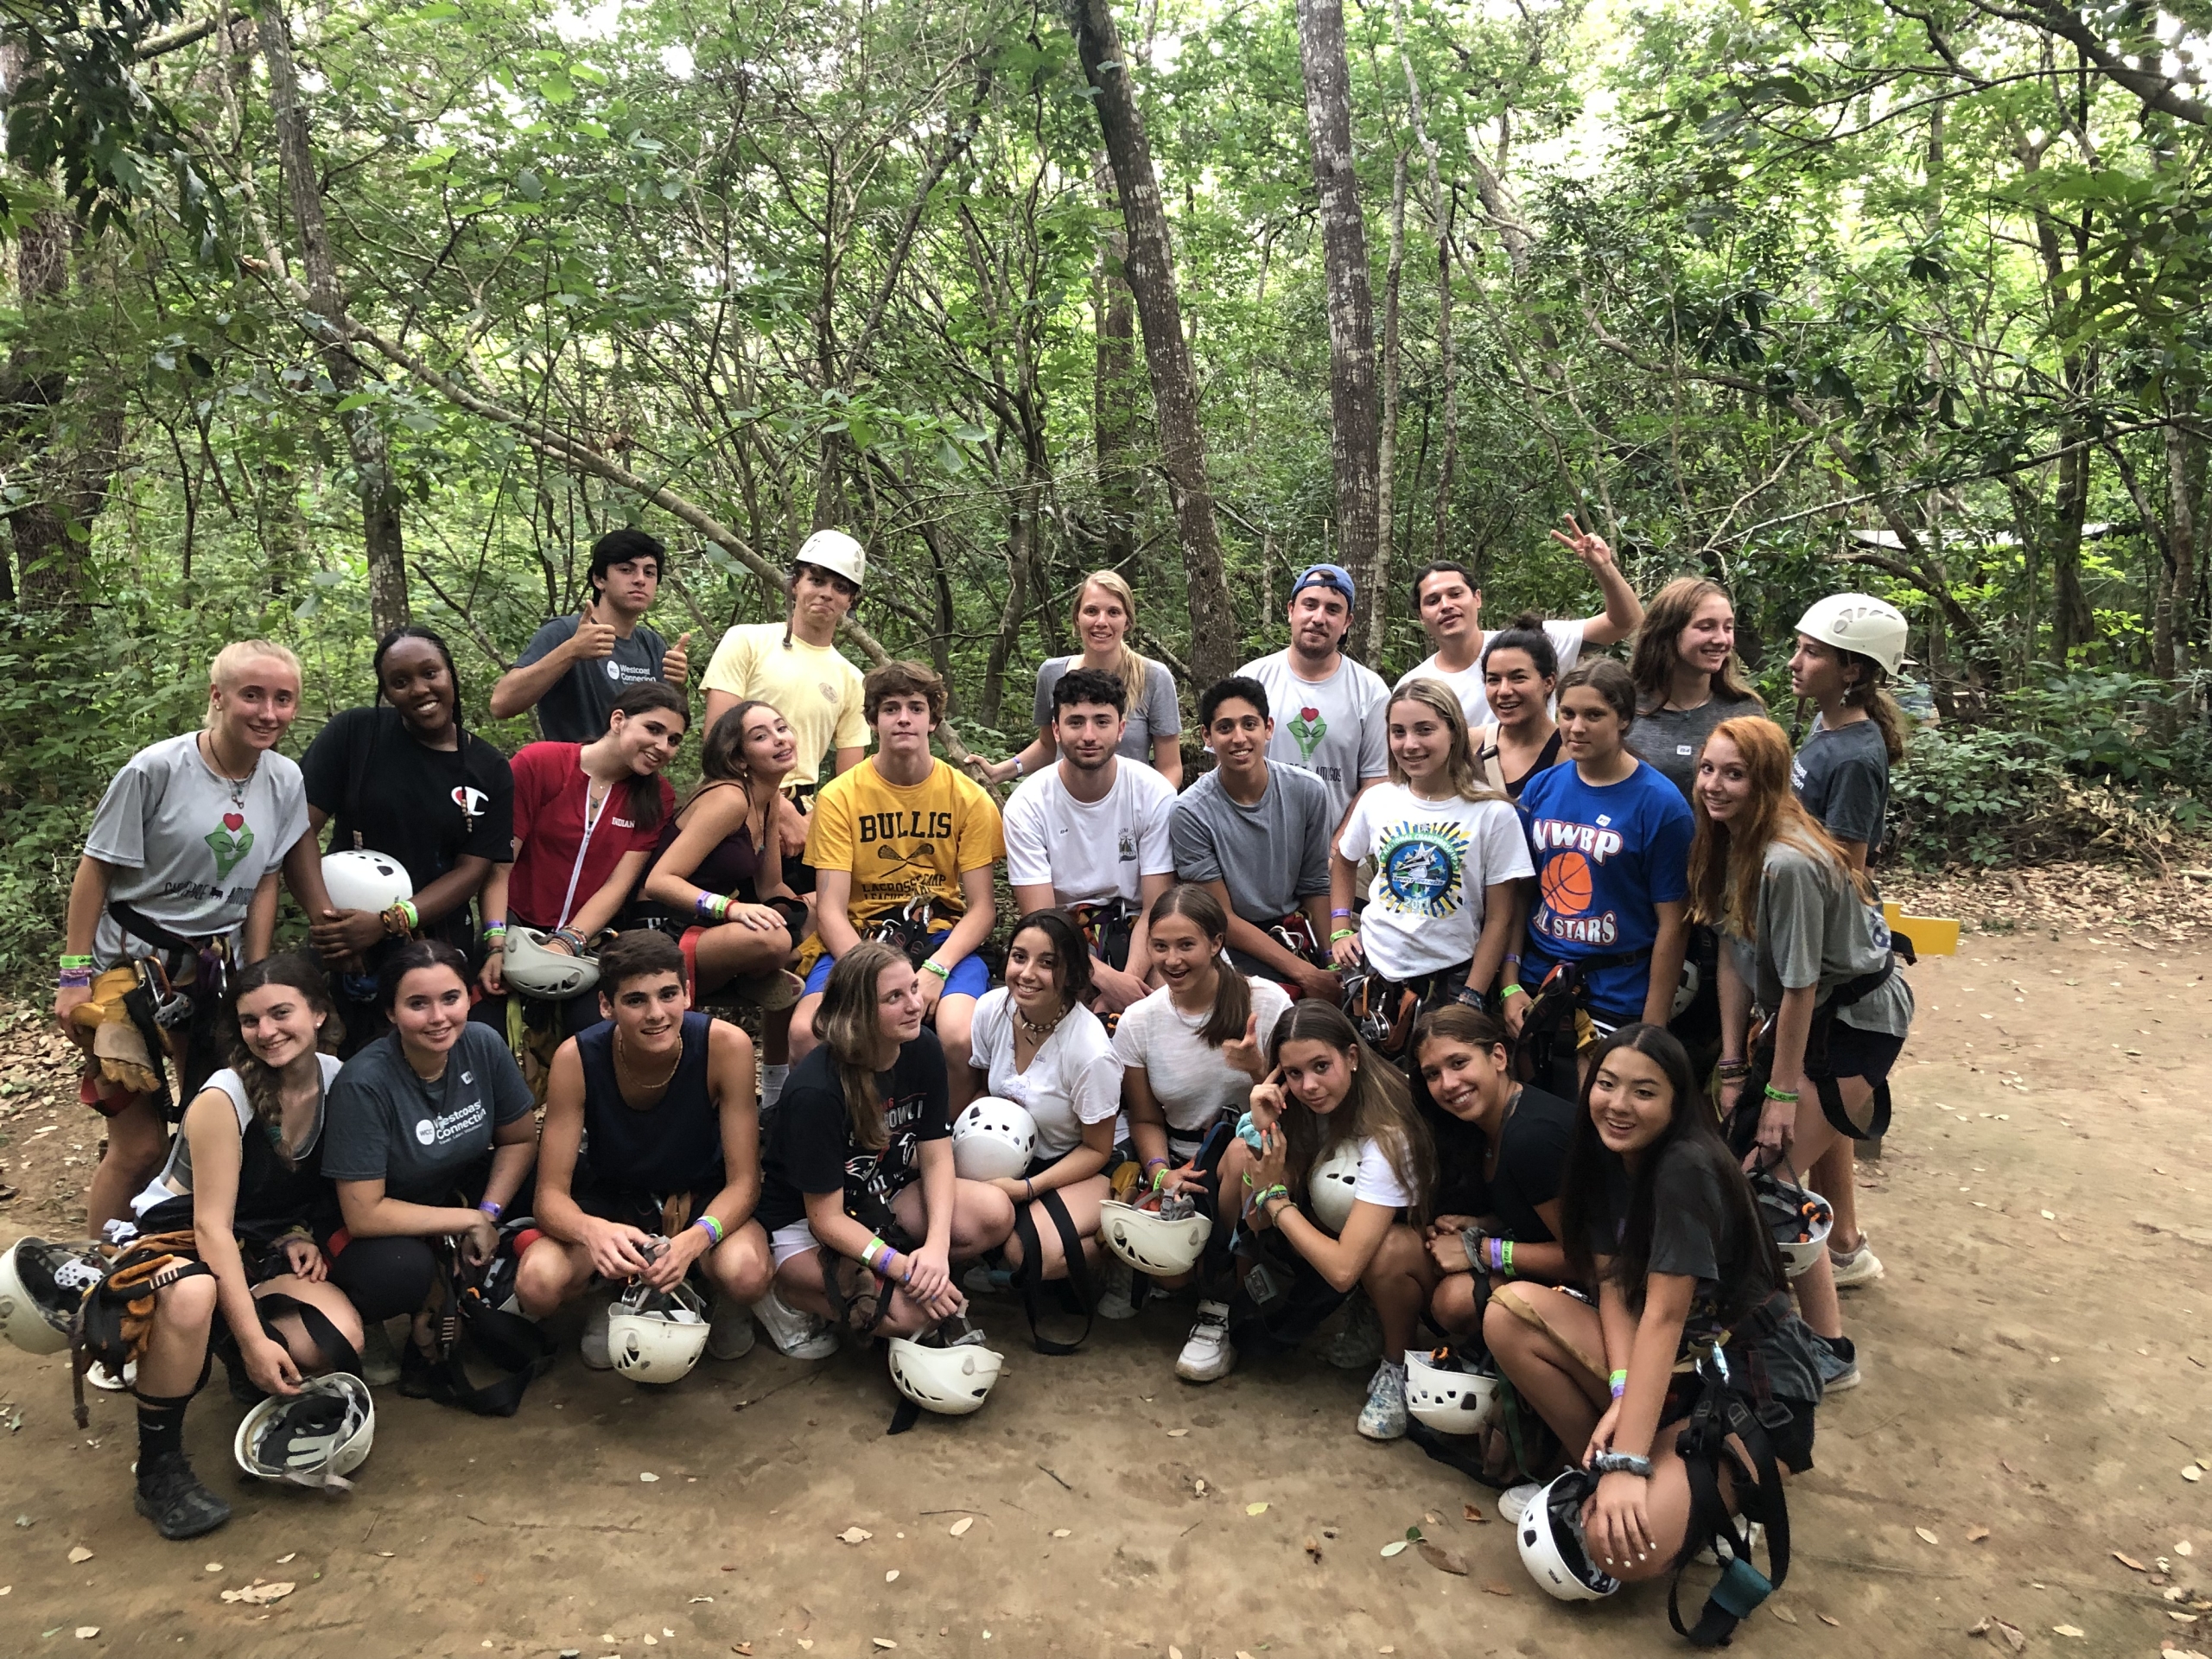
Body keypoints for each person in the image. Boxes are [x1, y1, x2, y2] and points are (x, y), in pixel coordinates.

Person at [1484, 1025, 1824, 1596]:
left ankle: (1702, 1493)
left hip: (1750, 1386)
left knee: (1614, 1554)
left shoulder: (1685, 1166)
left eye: (1643, 1092)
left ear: (1676, 1103)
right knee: (1507, 1316)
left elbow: (1665, 1316)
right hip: (1675, 1367)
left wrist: (1629, 1464)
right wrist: (1620, 1390)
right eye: (1608, 1085)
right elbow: (1615, 1285)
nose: (1619, 1105)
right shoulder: (1605, 1158)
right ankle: (1602, 1470)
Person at [57, 639, 312, 1235]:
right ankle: (97, 1277)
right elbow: (95, 870)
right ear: (217, 696)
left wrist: (259, 972)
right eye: (252, 695)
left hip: (212, 969)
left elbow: (267, 876)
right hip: (124, 968)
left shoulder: (284, 779)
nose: (267, 712)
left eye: (283, 699)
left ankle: (180, 1257)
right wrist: (72, 977)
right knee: (142, 1144)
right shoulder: (157, 770)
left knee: (212, 1127)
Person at [1692, 716, 1915, 1393]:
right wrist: (1734, 1066)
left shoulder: (1786, 861)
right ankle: (1794, 1314)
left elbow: (1800, 986)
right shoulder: (1727, 843)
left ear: (1768, 782)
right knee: (1762, 1165)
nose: (1715, 785)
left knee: (1770, 1177)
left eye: (1735, 774)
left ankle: (1829, 1348)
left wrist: (1781, 1096)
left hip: (1853, 1020)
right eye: (1708, 769)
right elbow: (1734, 951)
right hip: (1805, 1014)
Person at [123, 954, 364, 1539]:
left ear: (319, 1013)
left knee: (334, 1344)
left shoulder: (338, 1078)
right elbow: (210, 1228)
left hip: (259, 1238)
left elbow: (307, 1190)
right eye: (251, 1020)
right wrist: (259, 1341)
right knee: (191, 1295)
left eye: (282, 1013)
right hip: (179, 1234)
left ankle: (228, 1347)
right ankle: (158, 1466)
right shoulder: (224, 1096)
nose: (267, 1032)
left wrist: (300, 1235)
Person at [515, 931, 817, 1366]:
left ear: (688, 994)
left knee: (747, 1273)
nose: (656, 1014)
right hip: (613, 1201)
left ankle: (711, 1289)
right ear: (606, 1006)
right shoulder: (576, 1058)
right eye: (635, 1000)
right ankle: (614, 1287)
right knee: (538, 1284)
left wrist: (695, 1241)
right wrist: (593, 1233)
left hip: (702, 1196)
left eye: (668, 994)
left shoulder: (724, 1045)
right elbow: (549, 1197)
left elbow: (746, 1183)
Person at [1185, 1001, 1433, 1444]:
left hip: (1399, 1245)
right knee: (1242, 1156)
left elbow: (1341, 1272)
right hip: (1324, 1225)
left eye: (1322, 1066)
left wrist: (1276, 1198)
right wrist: (1264, 1132)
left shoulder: (1388, 1129)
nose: (1309, 1086)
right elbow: (1256, 1224)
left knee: (1390, 1253)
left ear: (1352, 1057)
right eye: (1293, 1073)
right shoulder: (1294, 1108)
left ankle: (1397, 1364)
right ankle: (1236, 1306)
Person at [756, 941, 1017, 1345]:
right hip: (809, 1225)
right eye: (894, 997)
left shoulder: (922, 1047)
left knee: (994, 1214)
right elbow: (826, 1219)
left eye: (914, 988)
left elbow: (935, 1157)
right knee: (911, 1318)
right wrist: (904, 1270)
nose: (915, 1004)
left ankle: (877, 1277)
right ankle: (791, 1293)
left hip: (881, 1197)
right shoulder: (816, 1091)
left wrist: (934, 1248)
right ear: (858, 1013)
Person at [322, 942, 538, 1389]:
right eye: (417, 1004)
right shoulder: (364, 1083)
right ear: (390, 1012)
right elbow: (363, 1213)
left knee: (555, 1179)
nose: (439, 1017)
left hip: (449, 1188)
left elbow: (519, 1138)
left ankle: (492, 1292)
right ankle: (367, 1318)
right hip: (373, 1220)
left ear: (468, 997)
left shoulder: (482, 1044)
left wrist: (491, 1212)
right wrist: (470, 1220)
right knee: (402, 1270)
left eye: (450, 998)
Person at [292, 626, 514, 1054]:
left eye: (430, 673)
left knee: (435, 1060)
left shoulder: (489, 768)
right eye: (400, 681)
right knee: (342, 1063)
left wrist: (390, 922)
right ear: (387, 691)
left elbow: (473, 869)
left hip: (435, 946)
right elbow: (298, 829)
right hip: (344, 939)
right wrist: (331, 929)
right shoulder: (355, 735)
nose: (419, 689)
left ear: (451, 674)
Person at [789, 661, 1002, 1102]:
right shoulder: (839, 797)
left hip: (944, 943)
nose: (903, 718)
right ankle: (829, 1140)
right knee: (807, 1033)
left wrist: (936, 970)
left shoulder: (969, 798)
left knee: (958, 1037)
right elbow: (830, 909)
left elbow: (983, 907)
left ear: (933, 719)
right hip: (859, 941)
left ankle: (950, 1145)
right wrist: (872, 977)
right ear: (873, 721)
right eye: (890, 708)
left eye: (915, 707)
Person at [1788, 592, 1910, 1292]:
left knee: (1805, 1113)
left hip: (1828, 953)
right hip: (1817, 943)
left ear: (1854, 671)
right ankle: (1846, 1244)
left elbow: (1847, 867)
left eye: (1812, 653)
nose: (1797, 661)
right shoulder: (1827, 729)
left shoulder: (1858, 755)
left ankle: (1808, 1276)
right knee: (1830, 1102)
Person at [1504, 661, 1694, 1084]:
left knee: (1596, 1122)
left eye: (1594, 715)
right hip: (1539, 978)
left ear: (1624, 719)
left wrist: (1653, 1026)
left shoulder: (1661, 806)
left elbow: (1673, 924)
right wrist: (1510, 981)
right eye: (1568, 713)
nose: (1576, 727)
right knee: (1531, 1113)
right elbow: (1518, 893)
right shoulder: (1542, 788)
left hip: (1617, 990)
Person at [478, 682, 686, 1035]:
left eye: (674, 740)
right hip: (514, 925)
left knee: (593, 1033)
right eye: (654, 729)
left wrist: (569, 941)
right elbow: (500, 866)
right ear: (618, 720)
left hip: (588, 942)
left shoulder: (658, 796)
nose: (662, 746)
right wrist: (495, 943)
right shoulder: (540, 762)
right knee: (486, 1028)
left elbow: (618, 884)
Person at [1329, 680, 1532, 1038]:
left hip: (1450, 976)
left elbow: (1502, 915)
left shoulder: (1492, 813)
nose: (1410, 744)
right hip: (1373, 971)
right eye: (1398, 732)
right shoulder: (1378, 800)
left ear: (1453, 731)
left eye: (1425, 730)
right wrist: (1340, 928)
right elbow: (1345, 861)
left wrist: (1473, 993)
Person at [639, 699, 810, 1102]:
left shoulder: (767, 800)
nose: (779, 739)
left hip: (705, 927)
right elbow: (659, 882)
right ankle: (752, 973)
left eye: (781, 727)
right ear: (739, 756)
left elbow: (771, 889)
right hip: (660, 929)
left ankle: (775, 1091)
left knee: (820, 909)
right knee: (772, 942)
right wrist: (732, 909)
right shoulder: (729, 798)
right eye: (761, 736)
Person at [965, 912, 1122, 1332]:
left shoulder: (1091, 1052)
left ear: (1071, 974)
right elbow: (983, 1093)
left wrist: (1027, 1189)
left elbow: (1098, 1149)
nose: (1027, 974)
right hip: (1009, 1151)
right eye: (1019, 957)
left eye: (1047, 963)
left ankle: (1118, 1254)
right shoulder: (989, 1010)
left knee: (1029, 1255)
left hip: (1077, 1164)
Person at [1001, 667, 1177, 1014]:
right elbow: (1042, 919)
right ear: (1056, 729)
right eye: (1076, 722)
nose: (1089, 735)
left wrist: (1126, 984)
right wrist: (1107, 980)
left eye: (1102, 721)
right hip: (1064, 936)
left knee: (1172, 1002)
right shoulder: (1027, 804)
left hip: (1139, 927)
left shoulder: (1154, 793)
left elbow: (1157, 908)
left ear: (1121, 728)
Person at [1408, 1004, 1575, 1344]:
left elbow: (1587, 1260)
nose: (1449, 1084)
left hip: (1607, 1292)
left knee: (1454, 1301)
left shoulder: (1533, 1136)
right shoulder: (1485, 1125)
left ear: (1498, 1056)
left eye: (1459, 1063)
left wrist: (1480, 1249)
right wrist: (1484, 1224)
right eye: (1432, 1074)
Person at [1168, 677, 1338, 1001]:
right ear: (1207, 736)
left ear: (1268, 728)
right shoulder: (1190, 812)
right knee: (1266, 1006)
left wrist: (1327, 962)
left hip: (1296, 925)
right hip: (1233, 939)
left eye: (1249, 724)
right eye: (1225, 728)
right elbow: (1222, 918)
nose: (1239, 738)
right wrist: (1304, 973)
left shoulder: (1308, 791)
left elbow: (1315, 884)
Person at [1114, 883, 1287, 1196]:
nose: (1172, 960)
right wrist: (1160, 1172)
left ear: (1215, 943)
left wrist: (1256, 1069)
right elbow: (1145, 1118)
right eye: (1160, 946)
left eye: (1186, 945)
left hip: (1264, 1151)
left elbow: (1300, 1104)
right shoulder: (1137, 1022)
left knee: (1238, 1154)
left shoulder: (1267, 1002)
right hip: (1187, 1163)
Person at [1398, 517, 1644, 731]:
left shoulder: (1531, 642)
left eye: (1455, 594)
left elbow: (1625, 622)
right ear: (1421, 616)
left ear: (1477, 598)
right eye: (1432, 601)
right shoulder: (1415, 685)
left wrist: (1604, 568)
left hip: (1541, 783)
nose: (1445, 605)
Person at [699, 529, 871, 803]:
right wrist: (777, 808)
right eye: (816, 580)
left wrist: (815, 820)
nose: (826, 594)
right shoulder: (746, 640)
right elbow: (717, 740)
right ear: (795, 584)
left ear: (850, 600)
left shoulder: (851, 678)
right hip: (734, 796)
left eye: (840, 588)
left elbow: (849, 781)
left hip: (806, 809)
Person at [970, 570, 1183, 789]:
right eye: (1091, 611)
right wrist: (1000, 772)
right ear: (1077, 617)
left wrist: (1154, 810)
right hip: (1065, 808)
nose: (1101, 621)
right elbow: (1048, 746)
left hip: (1130, 811)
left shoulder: (1153, 677)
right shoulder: (1052, 674)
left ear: (1127, 621)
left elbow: (1170, 768)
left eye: (1113, 612)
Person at [491, 528, 691, 741]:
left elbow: (670, 727)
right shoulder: (565, 632)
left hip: (634, 772)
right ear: (599, 579)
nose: (640, 580)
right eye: (626, 570)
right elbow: (501, 704)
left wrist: (680, 684)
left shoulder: (651, 644)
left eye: (649, 573)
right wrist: (571, 652)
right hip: (573, 769)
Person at [1236, 563, 1389, 833]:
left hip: (1341, 853)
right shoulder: (1251, 679)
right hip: (1258, 845)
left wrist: (1335, 851)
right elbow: (1227, 767)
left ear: (1347, 623)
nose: (1319, 618)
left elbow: (1376, 783)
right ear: (1291, 610)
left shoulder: (1370, 691)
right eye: (1310, 605)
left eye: (1333, 609)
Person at [1625, 576, 1769, 801]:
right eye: (1706, 627)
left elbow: (1768, 798)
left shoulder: (1745, 711)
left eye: (1728, 627)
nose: (1722, 639)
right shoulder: (1625, 708)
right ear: (1668, 633)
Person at [1474, 613, 1565, 800]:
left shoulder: (1570, 754)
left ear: (1548, 682)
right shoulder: (1469, 745)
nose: (1504, 690)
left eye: (1518, 678)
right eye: (1494, 680)